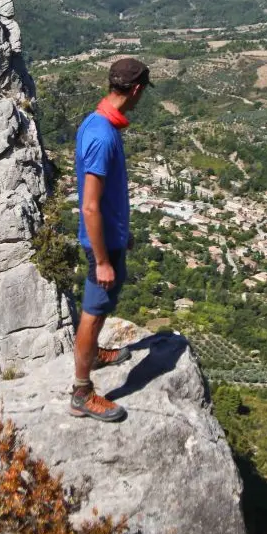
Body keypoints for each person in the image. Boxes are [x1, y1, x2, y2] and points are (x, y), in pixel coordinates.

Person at [69, 57, 152, 422]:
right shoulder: (103, 136)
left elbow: (105, 199)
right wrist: (102, 260)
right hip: (100, 246)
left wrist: (121, 233)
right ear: (136, 90)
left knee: (101, 309)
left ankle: (94, 355)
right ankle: (81, 393)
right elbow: (89, 206)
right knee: (93, 311)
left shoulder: (96, 122)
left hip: (110, 238)